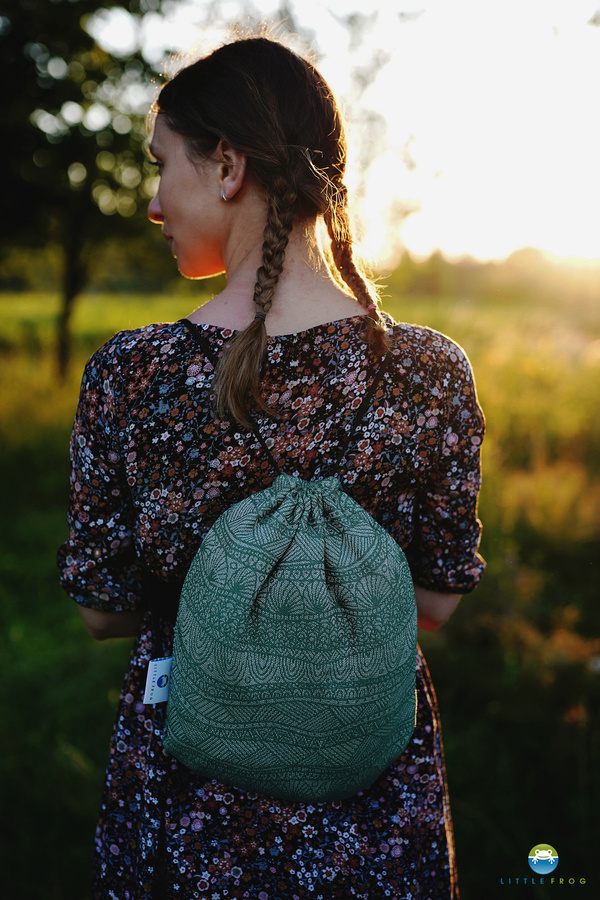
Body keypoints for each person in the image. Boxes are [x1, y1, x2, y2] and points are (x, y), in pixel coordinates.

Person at [57, 35, 485, 900]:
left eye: (159, 164)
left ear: (226, 165)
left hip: (184, 818)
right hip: (373, 820)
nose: (151, 200)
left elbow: (102, 614)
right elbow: (436, 602)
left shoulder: (133, 375)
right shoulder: (431, 372)